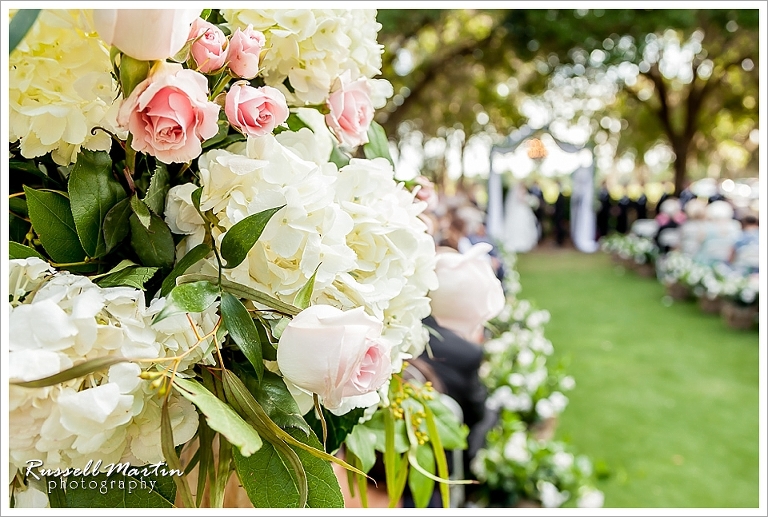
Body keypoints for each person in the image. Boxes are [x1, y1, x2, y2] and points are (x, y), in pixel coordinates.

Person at [694, 200, 741, 266]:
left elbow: (699, 243)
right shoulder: (734, 226)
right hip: (726, 264)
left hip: (707, 263)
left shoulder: (706, 226)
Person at [503, 181, 539, 253]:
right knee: (519, 226)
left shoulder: (524, 190)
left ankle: (525, 243)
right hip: (520, 211)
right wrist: (529, 200)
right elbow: (520, 199)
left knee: (526, 227)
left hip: (524, 211)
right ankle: (519, 243)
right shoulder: (517, 191)